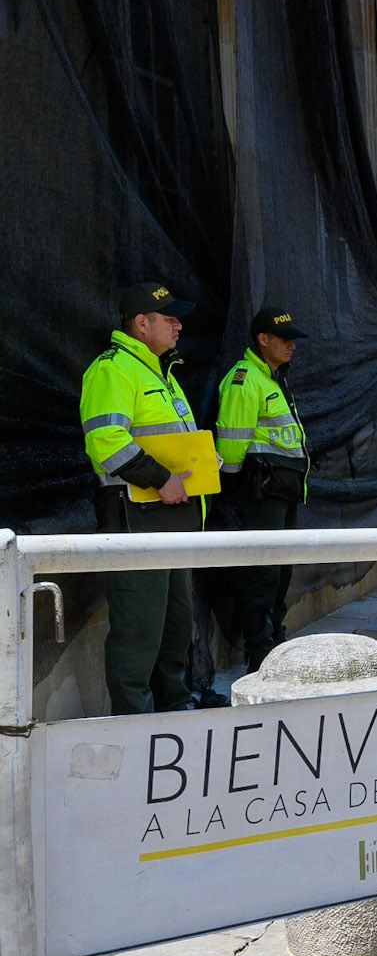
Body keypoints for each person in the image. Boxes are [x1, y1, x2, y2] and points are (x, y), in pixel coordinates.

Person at [78, 281, 207, 714]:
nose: (178, 325)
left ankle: (175, 709)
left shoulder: (160, 372)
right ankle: (134, 728)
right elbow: (105, 441)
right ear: (141, 323)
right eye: (168, 318)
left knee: (175, 625)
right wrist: (160, 478)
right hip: (136, 516)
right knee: (139, 629)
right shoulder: (112, 369)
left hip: (172, 518)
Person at [216, 305, 310, 671]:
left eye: (293, 339)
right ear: (263, 339)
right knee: (263, 574)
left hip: (281, 490)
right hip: (261, 492)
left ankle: (275, 644)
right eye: (284, 339)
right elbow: (230, 444)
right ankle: (261, 655)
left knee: (280, 571)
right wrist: (236, 488)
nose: (292, 346)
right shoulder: (244, 379)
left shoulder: (272, 377)